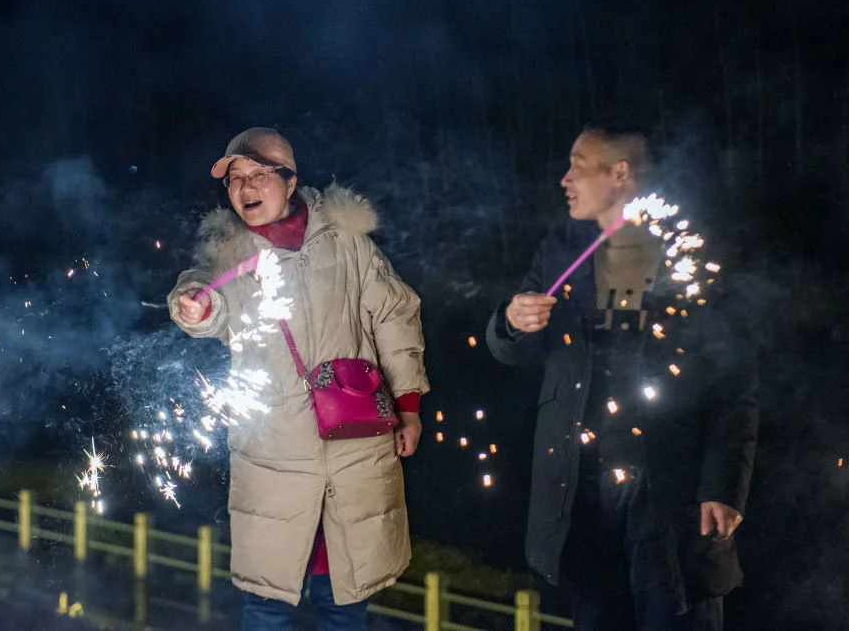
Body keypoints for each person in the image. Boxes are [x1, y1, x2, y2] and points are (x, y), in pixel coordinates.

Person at [486, 125, 758, 630]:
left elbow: (733, 384)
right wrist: (508, 320)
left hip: (668, 493)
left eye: (578, 164)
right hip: (582, 494)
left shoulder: (685, 255)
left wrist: (722, 486)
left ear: (620, 175)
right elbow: (513, 350)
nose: (564, 178)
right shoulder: (559, 250)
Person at [167, 127, 428, 630]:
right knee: (267, 606)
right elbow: (204, 296)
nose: (245, 188)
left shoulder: (347, 242)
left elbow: (394, 316)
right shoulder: (228, 255)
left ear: (290, 181)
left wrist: (409, 405)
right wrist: (194, 307)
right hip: (273, 461)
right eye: (235, 179)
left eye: (259, 175)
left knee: (345, 604)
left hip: (356, 453)